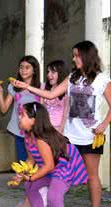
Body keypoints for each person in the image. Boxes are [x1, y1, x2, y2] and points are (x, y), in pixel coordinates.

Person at [12, 40, 111, 207]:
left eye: (76, 55)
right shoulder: (72, 77)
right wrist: (27, 87)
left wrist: (104, 125)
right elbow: (51, 95)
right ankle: (38, 201)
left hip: (90, 136)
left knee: (92, 175)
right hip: (68, 137)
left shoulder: (102, 80)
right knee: (52, 170)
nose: (73, 59)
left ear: (86, 56)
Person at [12, 102, 87, 207]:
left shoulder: (41, 140)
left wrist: (31, 177)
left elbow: (49, 166)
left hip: (63, 167)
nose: (19, 117)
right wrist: (22, 173)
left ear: (34, 121)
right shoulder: (28, 138)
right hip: (49, 167)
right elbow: (30, 161)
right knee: (30, 186)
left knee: (53, 196)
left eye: (23, 115)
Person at [0, 55, 41, 161]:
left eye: (27, 67)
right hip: (19, 131)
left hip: (36, 132)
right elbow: (4, 109)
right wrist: (0, 94)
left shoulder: (41, 88)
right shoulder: (13, 87)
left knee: (38, 161)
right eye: (21, 67)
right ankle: (25, 177)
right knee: (23, 161)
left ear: (34, 70)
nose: (23, 70)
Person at [41, 60, 69, 133]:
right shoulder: (43, 86)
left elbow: (65, 115)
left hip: (58, 129)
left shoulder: (67, 91)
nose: (49, 75)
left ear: (61, 73)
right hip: (44, 127)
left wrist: (60, 132)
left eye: (53, 72)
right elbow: (41, 108)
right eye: (48, 72)